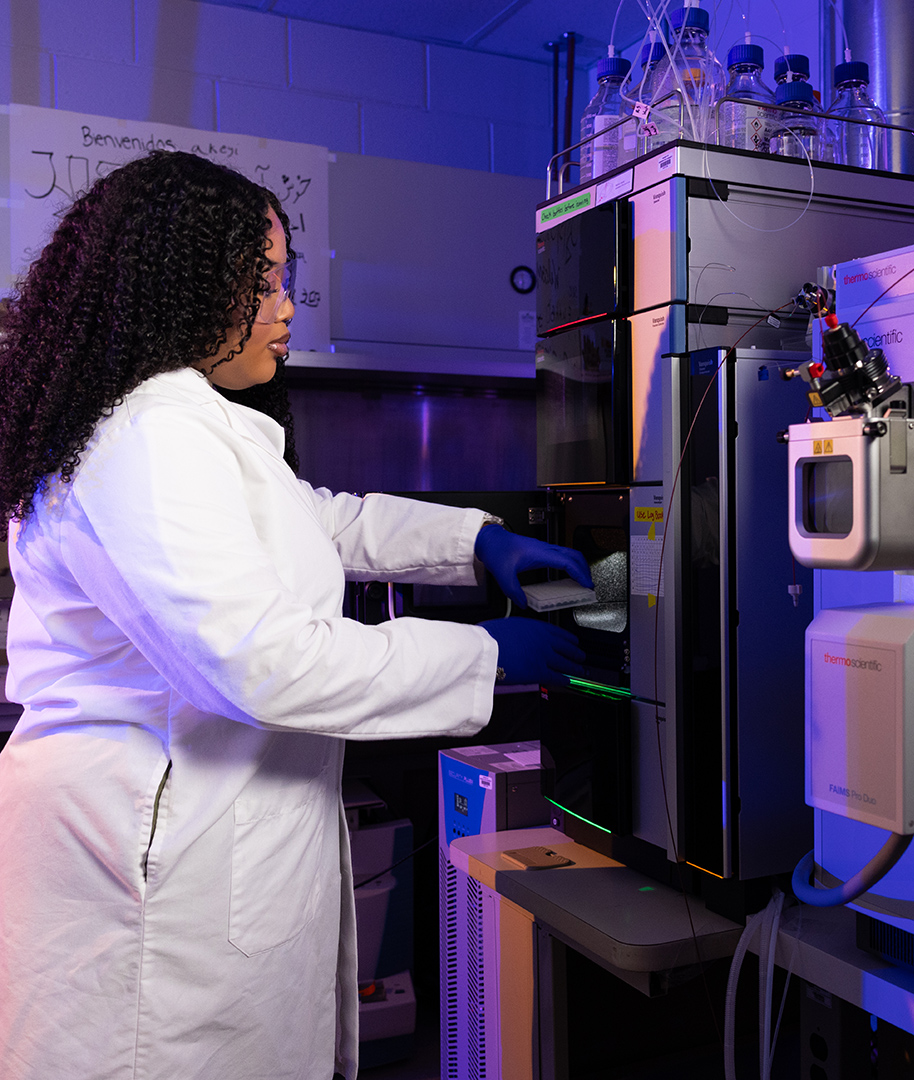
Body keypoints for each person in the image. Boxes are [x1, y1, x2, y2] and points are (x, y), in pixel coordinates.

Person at [0, 150, 591, 1080]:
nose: (286, 307)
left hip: (206, 837)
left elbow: (322, 521)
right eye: (264, 280)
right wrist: (483, 650)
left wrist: (479, 541)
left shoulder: (189, 426)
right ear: (185, 284)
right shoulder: (146, 435)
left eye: (288, 280)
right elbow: (263, 662)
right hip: (156, 874)